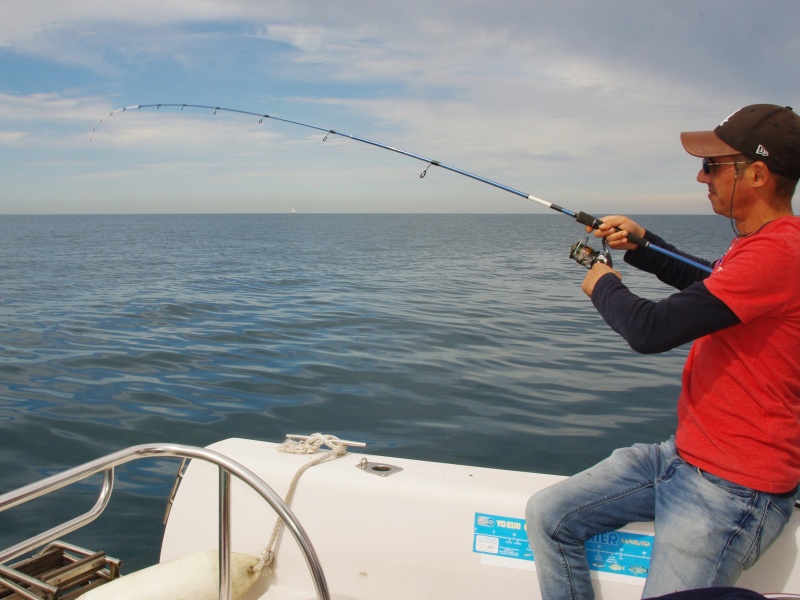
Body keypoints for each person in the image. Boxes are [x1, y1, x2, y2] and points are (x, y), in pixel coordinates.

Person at [525, 104, 800, 599]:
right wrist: (643, 244)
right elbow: (711, 284)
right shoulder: (760, 244)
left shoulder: (780, 253)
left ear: (756, 174)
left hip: (733, 490)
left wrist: (604, 283)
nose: (701, 176)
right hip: (680, 458)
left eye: (713, 166)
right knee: (550, 516)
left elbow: (650, 331)